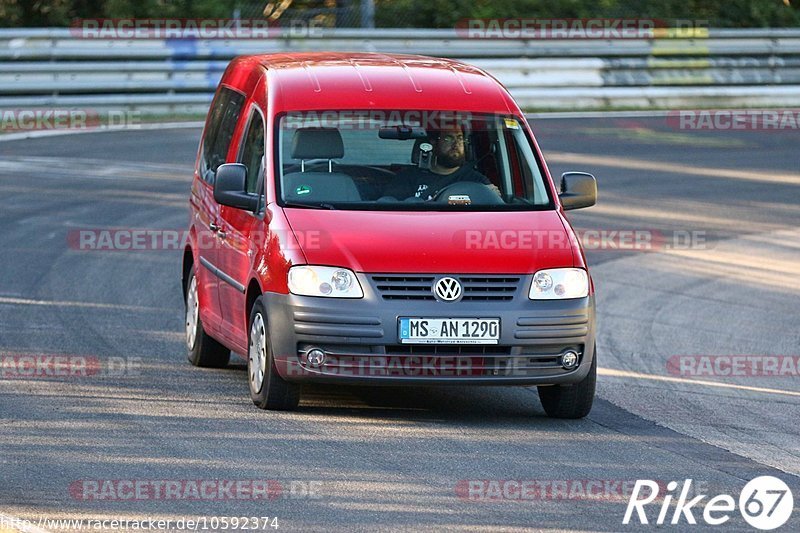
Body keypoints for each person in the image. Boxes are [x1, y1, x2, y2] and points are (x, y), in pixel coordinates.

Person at [382, 125, 500, 201]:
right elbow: (389, 210)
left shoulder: (477, 181)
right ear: (434, 143)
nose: (456, 144)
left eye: (459, 138)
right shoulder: (408, 178)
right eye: (448, 138)